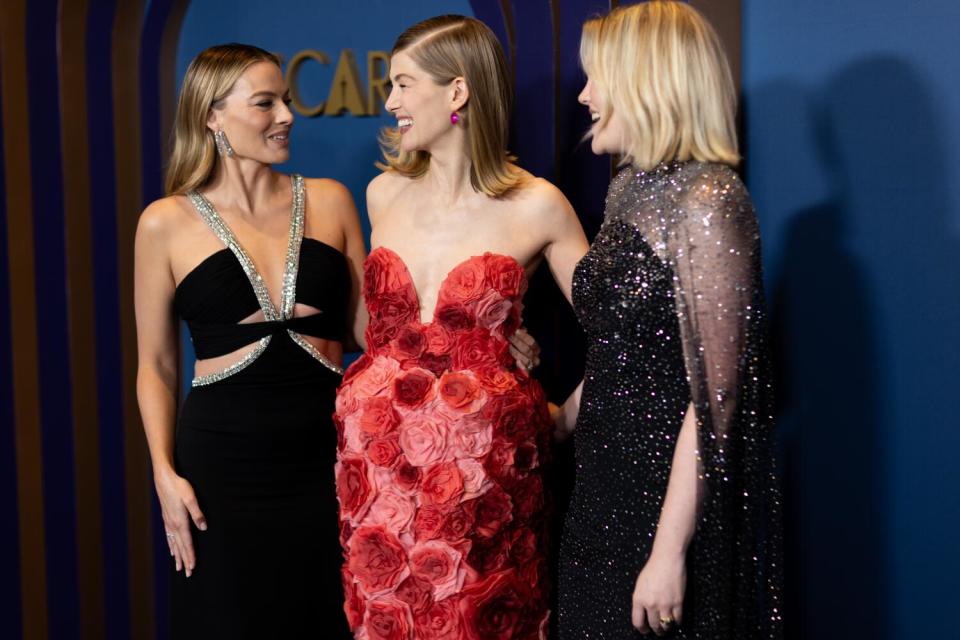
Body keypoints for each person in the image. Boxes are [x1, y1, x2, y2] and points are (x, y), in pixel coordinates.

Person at [332, 15, 589, 639]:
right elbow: (377, 333)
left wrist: (563, 417)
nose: (389, 101)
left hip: (482, 482)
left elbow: (628, 333)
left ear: (457, 91)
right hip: (377, 471)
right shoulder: (382, 194)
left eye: (402, 84)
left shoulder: (537, 204)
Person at [554, 2, 784, 638]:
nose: (584, 95)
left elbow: (716, 398)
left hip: (668, 504)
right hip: (603, 488)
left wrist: (668, 553)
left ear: (647, 81)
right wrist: (555, 420)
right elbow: (623, 353)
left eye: (597, 77)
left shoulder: (711, 200)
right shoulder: (630, 186)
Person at [134, 43, 365, 638]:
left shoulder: (332, 199)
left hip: (330, 462)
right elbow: (156, 365)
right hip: (222, 472)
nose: (287, 115)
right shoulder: (164, 222)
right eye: (266, 103)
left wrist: (479, 326)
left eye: (285, 100)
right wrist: (164, 473)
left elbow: (376, 335)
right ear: (212, 115)